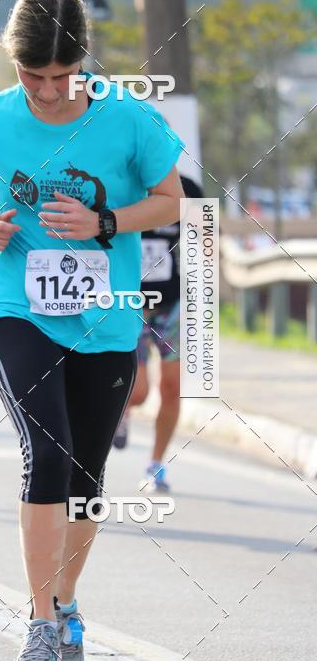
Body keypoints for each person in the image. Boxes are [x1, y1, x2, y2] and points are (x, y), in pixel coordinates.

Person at [0, 0, 184, 661]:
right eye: (32, 76)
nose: (48, 92)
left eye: (61, 76)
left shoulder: (129, 121)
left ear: (83, 61)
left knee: (86, 473)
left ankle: (68, 604)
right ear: (13, 64)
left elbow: (171, 199)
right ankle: (40, 624)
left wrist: (105, 223)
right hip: (14, 305)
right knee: (44, 451)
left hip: (106, 314)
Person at [112, 174, 204, 495]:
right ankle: (121, 410)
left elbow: (203, 245)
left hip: (173, 304)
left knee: (172, 387)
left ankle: (156, 465)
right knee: (137, 391)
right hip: (128, 302)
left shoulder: (189, 190)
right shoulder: (119, 185)